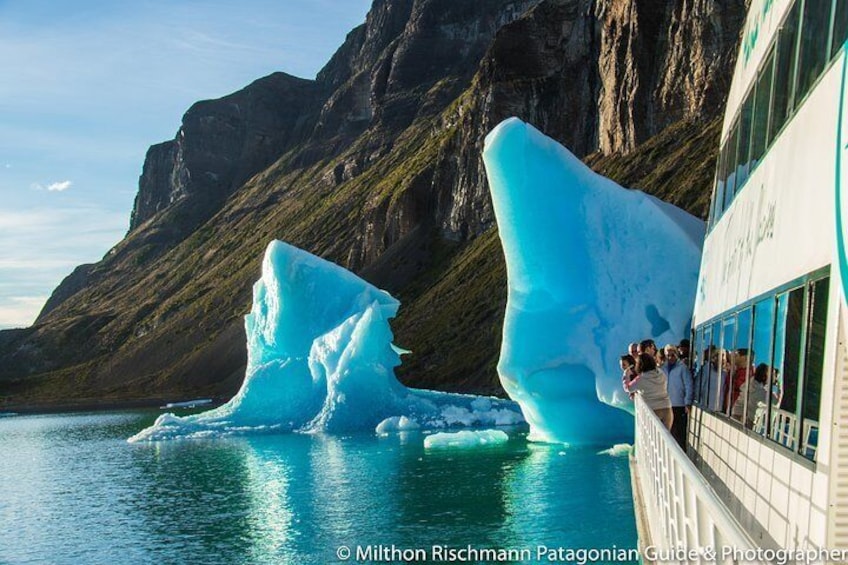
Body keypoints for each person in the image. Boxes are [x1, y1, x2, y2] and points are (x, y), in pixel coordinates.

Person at [625, 353, 673, 430]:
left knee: (654, 439)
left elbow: (628, 388)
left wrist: (626, 375)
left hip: (652, 410)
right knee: (665, 438)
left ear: (639, 365)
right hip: (666, 408)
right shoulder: (661, 373)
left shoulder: (640, 379)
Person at [663, 344, 693, 450]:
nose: (670, 357)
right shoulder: (663, 368)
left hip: (679, 405)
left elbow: (689, 385)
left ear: (676, 354)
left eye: (672, 355)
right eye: (668, 355)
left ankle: (681, 455)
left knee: (679, 433)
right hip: (667, 405)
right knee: (669, 431)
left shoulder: (682, 368)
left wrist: (687, 402)